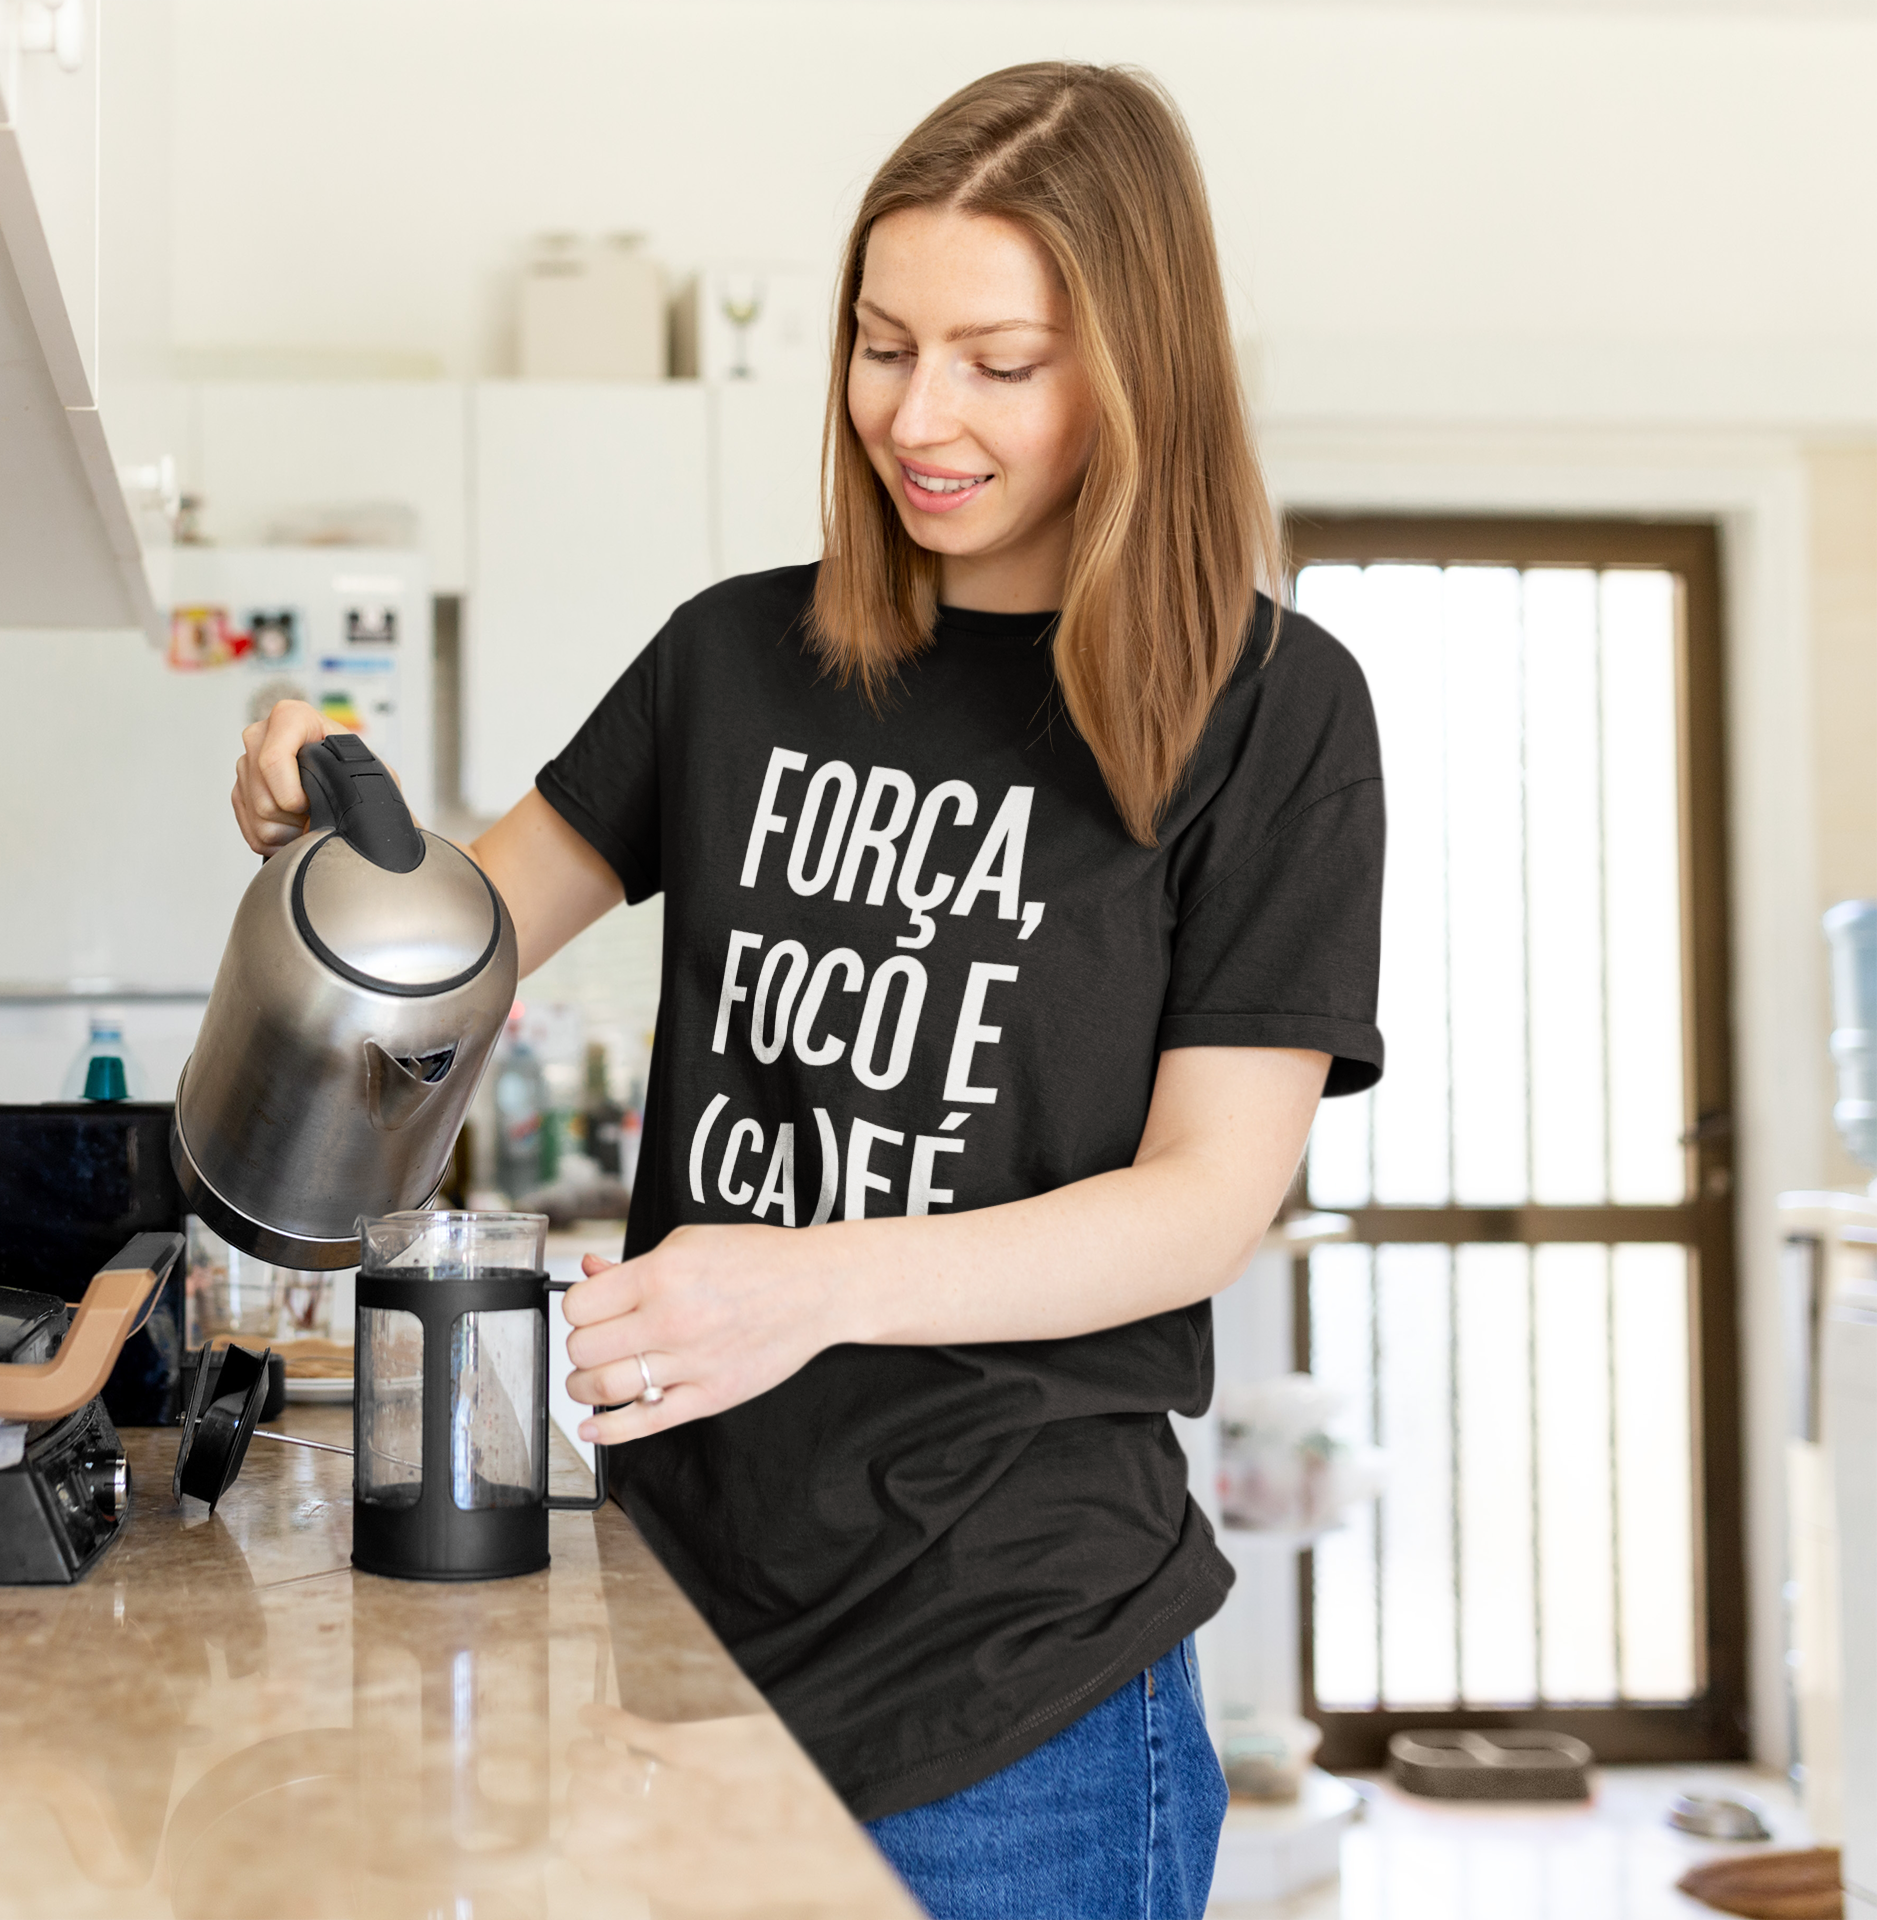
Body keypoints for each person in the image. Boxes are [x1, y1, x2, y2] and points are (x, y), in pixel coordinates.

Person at [232, 61, 1384, 1920]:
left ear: (1137, 368)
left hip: (1027, 1688)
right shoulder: (734, 660)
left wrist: (809, 1281)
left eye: (1000, 363)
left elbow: (1204, 1207)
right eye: (881, 345)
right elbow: (464, 931)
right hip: (691, 1620)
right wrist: (326, 824)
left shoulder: (1271, 714)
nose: (919, 416)